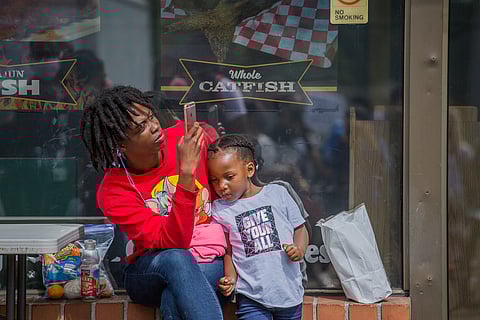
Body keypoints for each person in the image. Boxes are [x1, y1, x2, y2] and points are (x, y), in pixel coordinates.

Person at [80, 86, 226, 320]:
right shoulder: (114, 191)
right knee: (177, 258)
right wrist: (186, 174)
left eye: (151, 117)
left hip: (207, 256)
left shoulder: (185, 138)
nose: (155, 126)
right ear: (122, 144)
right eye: (141, 127)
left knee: (173, 299)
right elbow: (173, 242)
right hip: (149, 269)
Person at [207, 134, 308, 320]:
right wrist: (230, 278)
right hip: (251, 297)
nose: (222, 186)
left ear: (250, 169)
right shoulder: (220, 210)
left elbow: (300, 228)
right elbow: (228, 250)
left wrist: (299, 249)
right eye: (214, 180)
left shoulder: (278, 193)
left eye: (229, 177)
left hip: (289, 293)